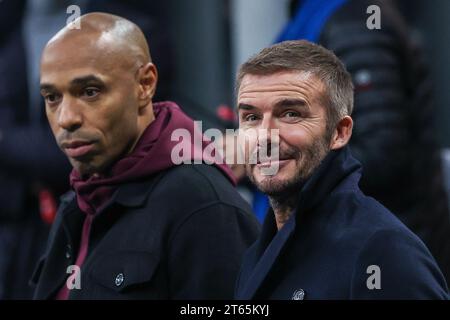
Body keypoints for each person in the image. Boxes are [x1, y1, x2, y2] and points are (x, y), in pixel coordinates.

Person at [31, 12, 260, 300]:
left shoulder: (204, 206)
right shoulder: (78, 202)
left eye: (90, 92)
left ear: (145, 84)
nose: (66, 118)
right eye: (52, 98)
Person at [234, 40, 449, 299]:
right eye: (252, 117)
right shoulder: (256, 253)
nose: (264, 137)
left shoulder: (382, 250)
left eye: (291, 114)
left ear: (340, 132)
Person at [276, 0, 450, 285]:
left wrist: (282, 160)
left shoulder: (356, 23)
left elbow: (382, 154)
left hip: (382, 254)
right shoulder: (325, 16)